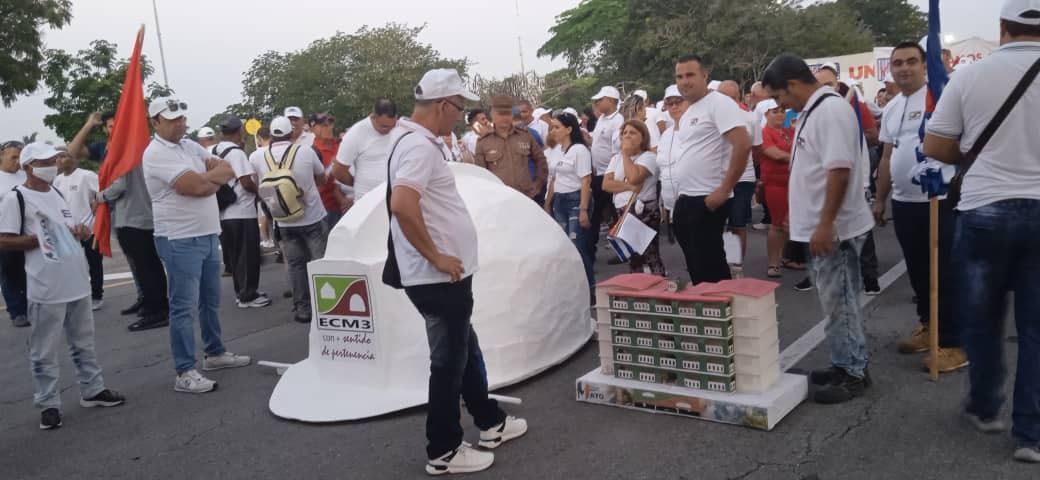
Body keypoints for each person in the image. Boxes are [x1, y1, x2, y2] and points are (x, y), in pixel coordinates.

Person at [388, 69, 527, 475]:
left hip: (444, 276)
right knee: (449, 361)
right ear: (444, 105)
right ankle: (444, 450)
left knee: (464, 350)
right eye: (460, 107)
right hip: (437, 276)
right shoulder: (418, 146)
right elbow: (402, 204)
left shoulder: (414, 141)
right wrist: (436, 256)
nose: (462, 115)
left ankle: (490, 421)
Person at [922, 0, 1040, 462]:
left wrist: (973, 159)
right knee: (1036, 327)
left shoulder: (970, 75)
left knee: (983, 317)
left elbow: (935, 143)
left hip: (984, 209)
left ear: (1002, 29)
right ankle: (1031, 434)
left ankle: (987, 406)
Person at [762, 54, 875, 404]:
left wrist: (826, 224)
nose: (781, 105)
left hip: (835, 229)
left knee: (840, 301)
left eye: (780, 97)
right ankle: (844, 362)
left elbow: (839, 171)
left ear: (793, 85)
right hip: (820, 226)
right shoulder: (815, 110)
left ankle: (854, 372)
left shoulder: (830, 111)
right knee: (834, 301)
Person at [0, 142, 125, 430]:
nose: (51, 165)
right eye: (44, 161)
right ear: (28, 167)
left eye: (53, 160)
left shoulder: (56, 191)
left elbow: (67, 231)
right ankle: (48, 404)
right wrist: (34, 241)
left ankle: (93, 389)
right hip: (46, 286)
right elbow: (4, 239)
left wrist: (79, 233)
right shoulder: (15, 198)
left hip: (77, 281)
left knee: (84, 343)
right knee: (44, 351)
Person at [142, 97, 251, 393]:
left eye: (181, 118)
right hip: (178, 238)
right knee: (183, 307)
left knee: (210, 301)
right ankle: (184, 370)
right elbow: (198, 187)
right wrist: (208, 181)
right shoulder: (156, 153)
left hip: (206, 234)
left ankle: (214, 353)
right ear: (156, 122)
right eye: (172, 119)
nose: (180, 123)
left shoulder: (189, 146)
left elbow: (226, 169)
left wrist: (205, 180)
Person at [873, 42, 964, 372]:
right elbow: (886, 156)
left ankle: (953, 342)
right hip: (904, 202)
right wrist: (880, 199)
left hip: (940, 200)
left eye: (912, 61)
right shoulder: (894, 105)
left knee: (946, 272)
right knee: (918, 270)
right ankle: (928, 327)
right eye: (897, 63)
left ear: (925, 65)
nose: (904, 68)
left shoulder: (943, 96)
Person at [672, 55, 752, 284]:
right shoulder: (689, 111)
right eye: (679, 76)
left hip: (708, 198)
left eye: (690, 75)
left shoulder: (719, 103)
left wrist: (724, 190)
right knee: (696, 264)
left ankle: (722, 313)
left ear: (704, 75)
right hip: (687, 197)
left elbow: (743, 144)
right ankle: (706, 312)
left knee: (711, 265)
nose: (684, 81)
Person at [251, 116, 328, 324]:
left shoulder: (257, 157)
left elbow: (257, 186)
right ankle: (326, 308)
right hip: (311, 216)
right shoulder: (305, 151)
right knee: (319, 263)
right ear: (291, 133)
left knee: (296, 266)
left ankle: (303, 309)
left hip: (283, 221)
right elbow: (322, 178)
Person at [815, 64, 883, 295]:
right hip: (824, 183)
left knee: (860, 230)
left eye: (828, 84)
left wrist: (864, 182)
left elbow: (868, 141)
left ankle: (869, 276)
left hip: (853, 180)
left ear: (837, 85)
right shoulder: (813, 111)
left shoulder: (851, 107)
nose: (824, 89)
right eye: (819, 85)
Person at [212, 116, 270, 309]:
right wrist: (259, 194)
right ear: (239, 132)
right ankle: (248, 295)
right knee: (248, 256)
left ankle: (242, 291)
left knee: (236, 257)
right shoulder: (236, 153)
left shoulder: (214, 150)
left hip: (223, 212)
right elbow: (245, 182)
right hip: (242, 211)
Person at [602, 120, 665, 275]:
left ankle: (659, 288)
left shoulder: (648, 157)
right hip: (623, 210)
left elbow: (634, 177)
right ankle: (637, 290)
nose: (627, 136)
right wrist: (629, 187)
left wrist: (625, 154)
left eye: (632, 132)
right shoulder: (615, 159)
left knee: (649, 253)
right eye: (624, 133)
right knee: (633, 256)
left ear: (643, 137)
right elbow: (606, 184)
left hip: (643, 209)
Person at [544, 111, 595, 292]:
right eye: (552, 127)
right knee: (564, 247)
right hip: (560, 200)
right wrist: (548, 202)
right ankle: (574, 289)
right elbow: (553, 178)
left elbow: (585, 181)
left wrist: (583, 209)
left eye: (557, 127)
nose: (553, 131)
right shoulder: (557, 151)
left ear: (569, 129)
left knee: (578, 247)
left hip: (575, 200)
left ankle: (589, 289)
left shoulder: (579, 150)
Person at [717, 80, 762, 272]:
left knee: (737, 223)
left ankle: (736, 265)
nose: (728, 102)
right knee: (716, 224)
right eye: (723, 98)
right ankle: (718, 261)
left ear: (739, 97)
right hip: (715, 179)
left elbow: (757, 150)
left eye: (732, 98)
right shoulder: (710, 118)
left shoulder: (750, 118)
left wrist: (745, 167)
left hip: (742, 179)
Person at [53, 148, 103, 310]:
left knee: (94, 263)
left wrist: (97, 201)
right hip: (69, 231)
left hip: (89, 228)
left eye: (63, 156)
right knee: (71, 265)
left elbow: (103, 190)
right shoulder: (57, 180)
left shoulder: (86, 175)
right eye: (57, 157)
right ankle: (76, 296)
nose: (60, 160)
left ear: (73, 158)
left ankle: (97, 296)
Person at [474, 95, 548, 201]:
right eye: (501, 114)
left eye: (508, 114)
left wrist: (537, 185)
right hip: (498, 199)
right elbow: (481, 174)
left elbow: (541, 161)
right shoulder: (484, 142)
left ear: (512, 115)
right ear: (493, 115)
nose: (505, 118)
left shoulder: (525, 136)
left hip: (526, 198)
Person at [332, 99, 399, 201]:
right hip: (366, 199)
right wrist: (356, 182)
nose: (389, 130)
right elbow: (338, 170)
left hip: (393, 198)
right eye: (384, 126)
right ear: (373, 117)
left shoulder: (398, 128)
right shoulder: (356, 133)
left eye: (392, 125)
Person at [758, 99, 794, 278]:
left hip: (794, 183)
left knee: (791, 222)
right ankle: (773, 263)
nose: (780, 114)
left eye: (782, 110)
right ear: (765, 114)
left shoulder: (789, 131)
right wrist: (799, 158)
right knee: (778, 224)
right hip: (775, 184)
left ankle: (786, 256)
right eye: (775, 111)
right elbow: (774, 153)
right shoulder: (764, 132)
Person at [589, 86, 625, 254]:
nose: (596, 103)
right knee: (600, 211)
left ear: (610, 100)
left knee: (616, 211)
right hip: (599, 173)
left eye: (599, 100)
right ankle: (592, 248)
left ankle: (623, 249)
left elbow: (617, 148)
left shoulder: (618, 120)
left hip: (611, 174)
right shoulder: (602, 119)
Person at [0, 140, 29, 327]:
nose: (17, 162)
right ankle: (16, 312)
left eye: (20, 157)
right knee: (9, 272)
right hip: (5, 233)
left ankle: (29, 307)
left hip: (26, 231)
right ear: (1, 156)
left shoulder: (24, 176)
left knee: (27, 271)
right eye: (13, 157)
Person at [309, 112, 351, 228]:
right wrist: (332, 168)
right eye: (324, 125)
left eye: (330, 124)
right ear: (313, 129)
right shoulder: (311, 153)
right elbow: (316, 183)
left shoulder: (342, 145)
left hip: (350, 203)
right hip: (326, 209)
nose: (329, 128)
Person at [657, 85, 689, 223]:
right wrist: (664, 203)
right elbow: (664, 170)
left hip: (691, 201)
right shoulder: (666, 135)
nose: (674, 106)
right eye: (670, 103)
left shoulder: (696, 130)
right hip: (670, 203)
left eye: (679, 101)